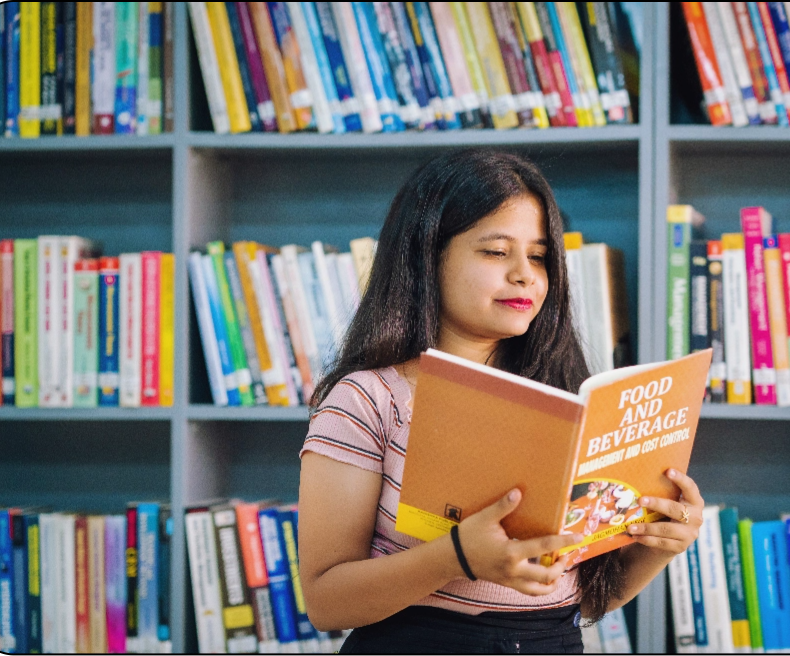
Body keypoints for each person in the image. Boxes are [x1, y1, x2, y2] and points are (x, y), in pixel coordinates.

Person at [298, 149, 705, 653]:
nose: (524, 275)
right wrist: (456, 558)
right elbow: (326, 602)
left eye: (538, 256)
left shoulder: (563, 397)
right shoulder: (369, 400)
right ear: (427, 257)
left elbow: (581, 600)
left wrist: (657, 547)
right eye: (496, 252)